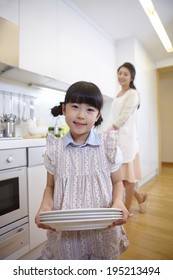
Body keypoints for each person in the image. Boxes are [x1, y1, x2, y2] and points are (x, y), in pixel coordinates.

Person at [35, 81, 129, 260]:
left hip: (103, 231)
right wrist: (45, 206)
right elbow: (50, 187)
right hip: (66, 235)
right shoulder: (54, 151)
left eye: (90, 110)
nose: (80, 115)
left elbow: (118, 182)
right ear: (64, 109)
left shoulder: (108, 147)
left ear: (98, 115)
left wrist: (118, 202)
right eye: (75, 106)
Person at [108, 62, 147, 214]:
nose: (121, 76)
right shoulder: (117, 95)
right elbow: (115, 115)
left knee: (128, 179)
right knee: (121, 177)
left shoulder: (132, 94)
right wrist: (110, 129)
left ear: (131, 77)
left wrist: (111, 128)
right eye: (120, 73)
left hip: (127, 140)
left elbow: (124, 115)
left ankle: (127, 210)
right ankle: (140, 196)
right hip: (117, 139)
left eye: (125, 74)